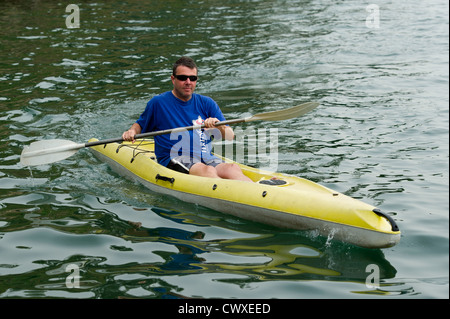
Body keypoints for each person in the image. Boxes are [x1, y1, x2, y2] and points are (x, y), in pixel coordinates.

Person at [122, 56, 252, 182]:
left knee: (232, 168)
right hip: (175, 157)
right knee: (206, 171)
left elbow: (230, 136)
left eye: (192, 78)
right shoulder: (158, 103)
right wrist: (132, 132)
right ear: (173, 79)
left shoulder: (207, 103)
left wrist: (219, 126)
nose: (188, 82)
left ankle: (256, 190)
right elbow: (139, 125)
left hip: (205, 156)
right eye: (183, 78)